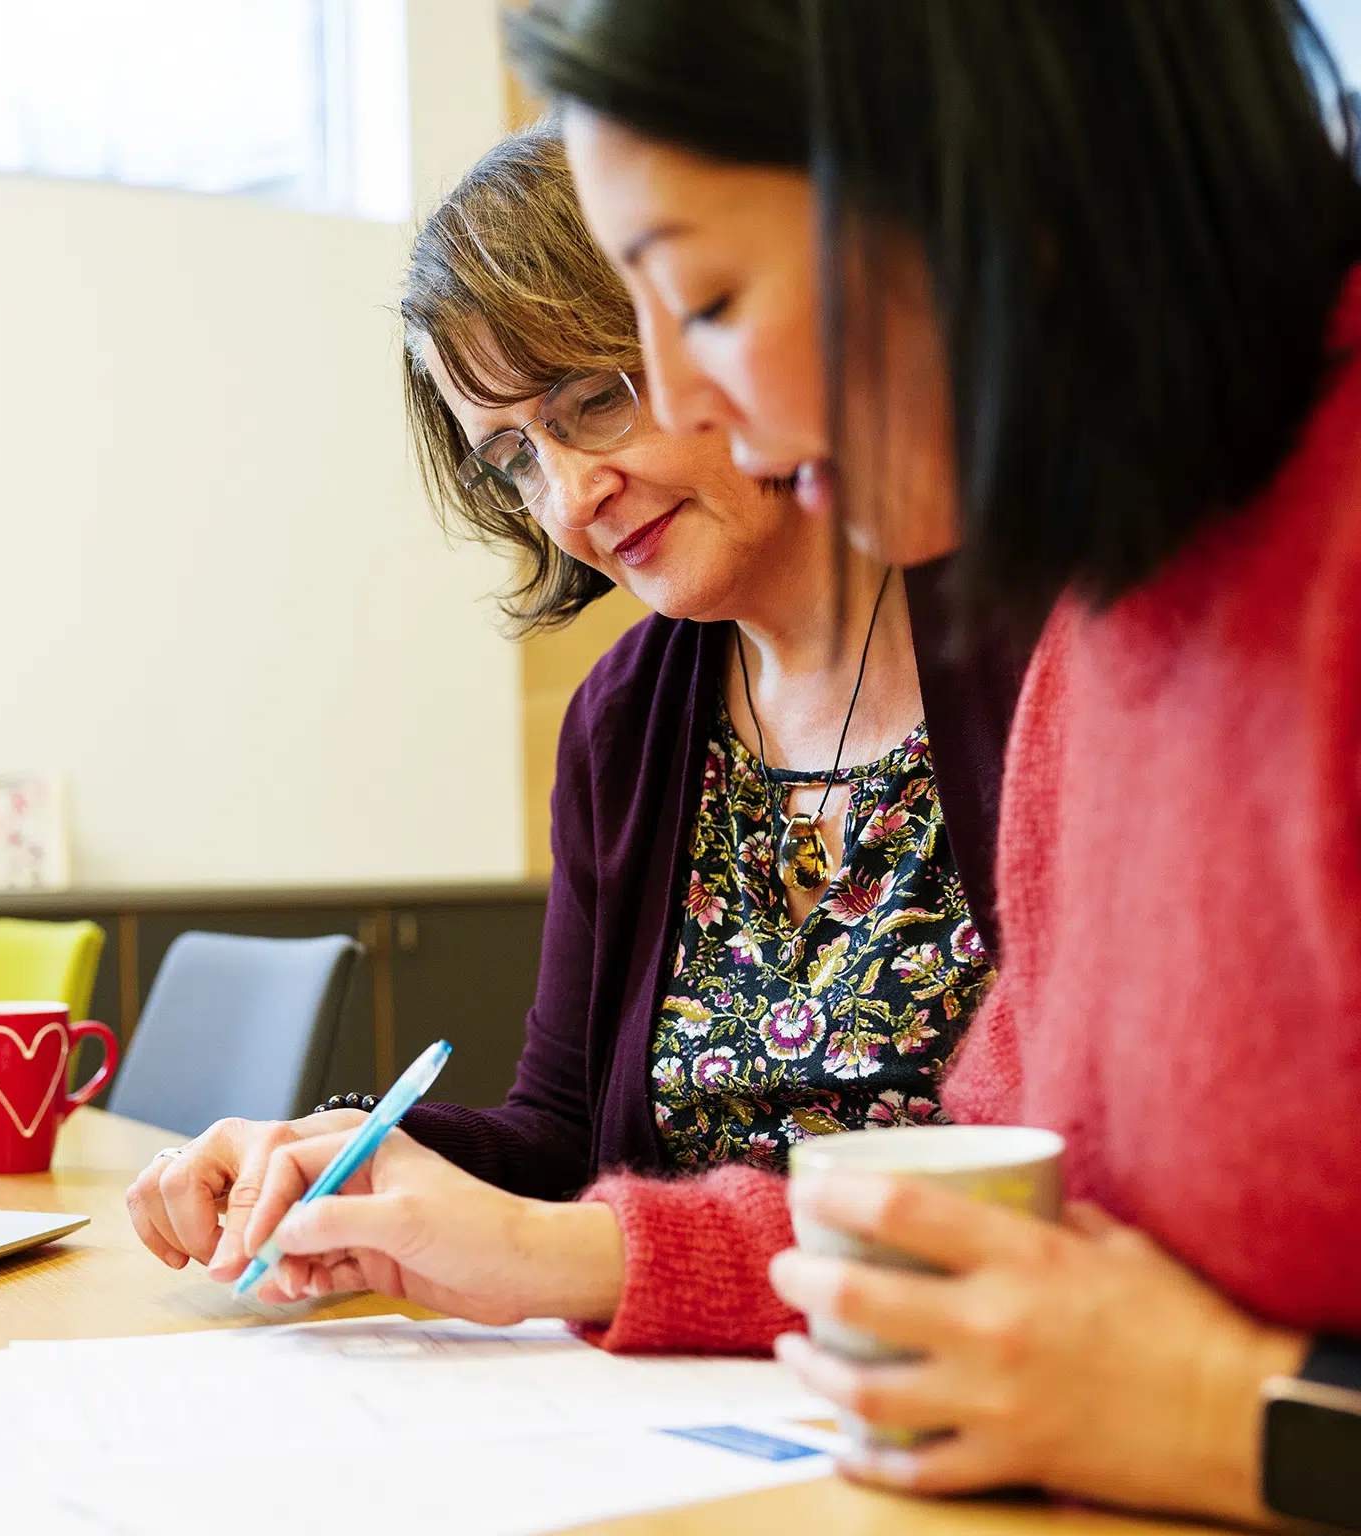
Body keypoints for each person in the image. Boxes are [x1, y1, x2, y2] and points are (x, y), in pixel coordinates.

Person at [222, 1, 1361, 1528]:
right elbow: (964, 1193)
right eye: (515, 455)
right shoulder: (1118, 612)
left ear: (960, 178)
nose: (682, 419)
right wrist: (563, 1251)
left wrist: (1233, 1417)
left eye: (698, 304)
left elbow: (1188, 1356)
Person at [126, 128, 1030, 1333]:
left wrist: (562, 1255)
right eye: (511, 459)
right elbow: (559, 1140)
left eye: (592, 402)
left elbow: (1064, 1172)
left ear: (720, 337)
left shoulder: (1042, 649)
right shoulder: (621, 720)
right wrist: (356, 1153)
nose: (568, 498)